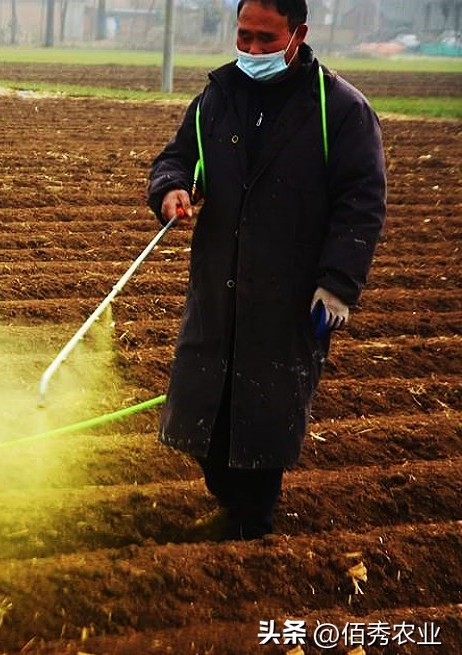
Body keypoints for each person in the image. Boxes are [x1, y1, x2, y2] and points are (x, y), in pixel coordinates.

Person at [147, 0, 386, 540]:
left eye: (265, 38)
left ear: (297, 33)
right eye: (244, 36)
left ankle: (250, 523)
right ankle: (232, 503)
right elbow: (176, 157)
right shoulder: (218, 97)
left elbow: (361, 203)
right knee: (204, 407)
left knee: (263, 412)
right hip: (219, 283)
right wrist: (172, 188)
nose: (251, 50)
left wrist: (338, 287)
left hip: (289, 294)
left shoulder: (339, 110)